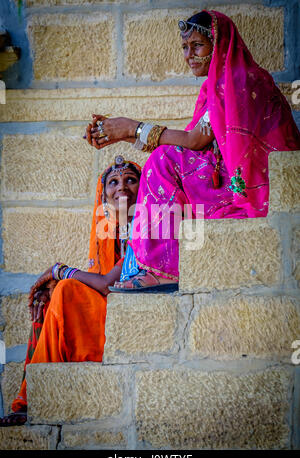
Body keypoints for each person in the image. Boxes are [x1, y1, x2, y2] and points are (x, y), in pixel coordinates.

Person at [85, 10, 300, 292]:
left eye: (197, 46)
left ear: (219, 45)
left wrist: (130, 128)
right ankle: (157, 264)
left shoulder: (242, 79)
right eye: (185, 48)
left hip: (257, 186)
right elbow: (193, 143)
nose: (189, 55)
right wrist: (121, 133)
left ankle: (164, 267)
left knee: (163, 160)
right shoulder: (215, 87)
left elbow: (195, 140)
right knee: (164, 159)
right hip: (228, 178)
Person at [0, 156, 141, 426]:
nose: (121, 187)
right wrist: (56, 282)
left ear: (143, 188)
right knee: (53, 296)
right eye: (113, 182)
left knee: (66, 290)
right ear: (104, 195)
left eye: (130, 180)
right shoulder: (108, 233)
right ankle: (28, 399)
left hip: (131, 323)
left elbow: (107, 284)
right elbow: (99, 282)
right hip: (109, 313)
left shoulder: (147, 225)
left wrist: (59, 270)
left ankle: (30, 401)